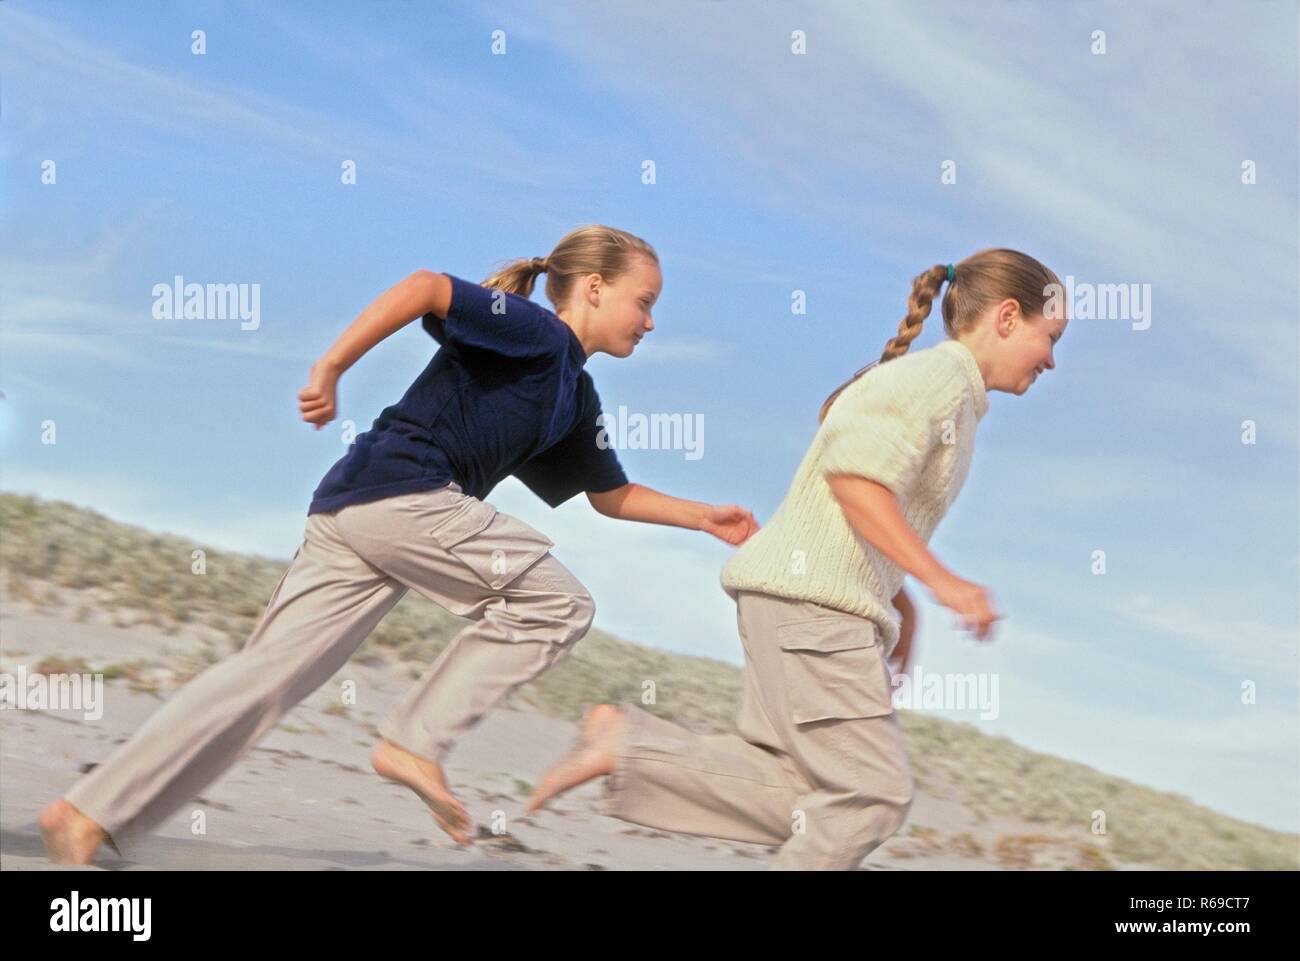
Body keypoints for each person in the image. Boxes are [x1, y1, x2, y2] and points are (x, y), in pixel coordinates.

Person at [39, 224, 759, 864]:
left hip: (358, 507)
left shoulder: (577, 396)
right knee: (556, 602)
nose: (652, 321)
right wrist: (331, 366)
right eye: (645, 301)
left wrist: (704, 517)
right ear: (595, 289)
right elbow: (426, 287)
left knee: (260, 684)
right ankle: (414, 738)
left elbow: (610, 494)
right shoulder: (535, 330)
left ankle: (85, 814)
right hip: (403, 494)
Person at [527, 248, 1069, 870]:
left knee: (805, 792)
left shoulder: (949, 392)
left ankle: (632, 750)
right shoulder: (939, 380)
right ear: (1007, 316)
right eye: (1049, 337)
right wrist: (944, 583)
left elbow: (844, 513)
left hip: (802, 606)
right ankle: (629, 749)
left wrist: (902, 602)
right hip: (813, 612)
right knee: (873, 796)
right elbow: (855, 482)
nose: (1051, 358)